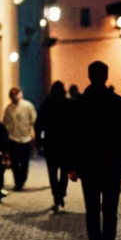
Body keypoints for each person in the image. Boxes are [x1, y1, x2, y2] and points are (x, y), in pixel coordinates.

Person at [68, 61, 121, 240]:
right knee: (110, 212)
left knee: (92, 211)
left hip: (88, 167)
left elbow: (71, 136)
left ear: (89, 76)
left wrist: (71, 165)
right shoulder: (118, 103)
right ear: (106, 76)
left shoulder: (79, 103)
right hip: (112, 166)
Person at [35, 81, 71, 212]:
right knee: (65, 170)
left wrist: (38, 141)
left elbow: (39, 124)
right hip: (66, 143)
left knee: (52, 171)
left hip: (51, 142)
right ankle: (61, 192)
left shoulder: (46, 104)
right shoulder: (68, 103)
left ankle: (56, 195)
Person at [2, 86, 37, 190]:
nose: (14, 97)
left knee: (25, 162)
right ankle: (18, 182)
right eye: (12, 95)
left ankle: (22, 179)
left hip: (25, 138)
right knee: (15, 162)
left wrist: (32, 135)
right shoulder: (8, 109)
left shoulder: (28, 106)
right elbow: (5, 122)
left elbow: (33, 119)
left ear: (20, 94)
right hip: (13, 138)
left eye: (16, 95)